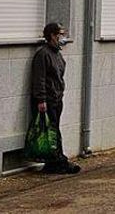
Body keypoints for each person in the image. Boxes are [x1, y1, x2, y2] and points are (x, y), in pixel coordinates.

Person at [30, 22, 81, 174]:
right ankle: (57, 161)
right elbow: (39, 79)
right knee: (52, 131)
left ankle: (55, 160)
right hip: (48, 100)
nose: (62, 37)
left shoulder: (56, 53)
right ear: (52, 35)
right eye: (60, 34)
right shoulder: (43, 54)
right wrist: (41, 99)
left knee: (54, 129)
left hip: (57, 97)